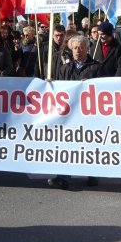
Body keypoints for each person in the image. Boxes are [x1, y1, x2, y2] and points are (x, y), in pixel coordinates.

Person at [48, 35, 102, 189]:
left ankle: (93, 174)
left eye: (81, 47)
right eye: (75, 48)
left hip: (88, 113)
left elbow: (104, 90)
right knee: (67, 144)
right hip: (69, 113)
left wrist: (92, 85)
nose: (78, 50)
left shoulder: (97, 67)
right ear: (71, 50)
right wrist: (50, 85)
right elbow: (58, 89)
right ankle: (63, 176)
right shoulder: (65, 68)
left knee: (89, 144)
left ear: (87, 49)